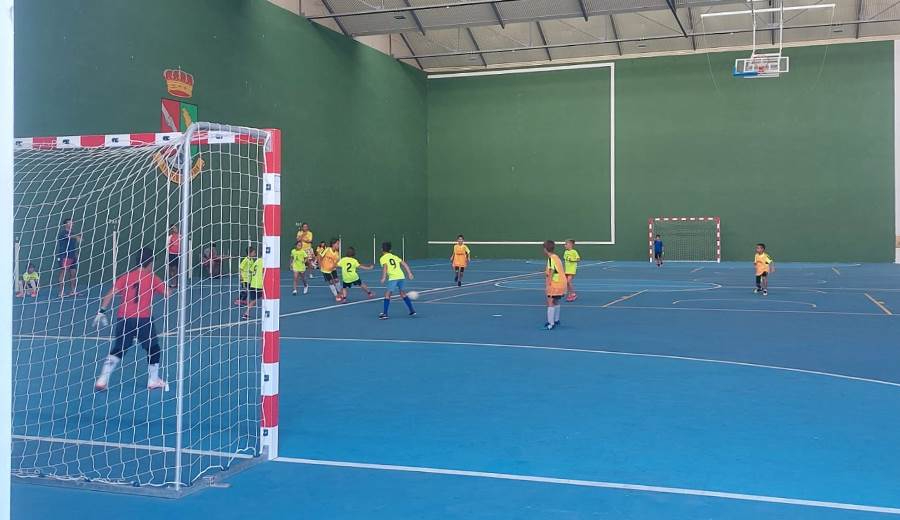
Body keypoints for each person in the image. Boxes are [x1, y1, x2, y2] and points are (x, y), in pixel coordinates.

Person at [93, 248, 170, 391]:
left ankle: (102, 380)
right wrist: (171, 286)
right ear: (150, 262)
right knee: (153, 348)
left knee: (119, 348)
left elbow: (109, 295)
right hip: (143, 319)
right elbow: (167, 294)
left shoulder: (126, 277)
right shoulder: (152, 277)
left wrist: (101, 311)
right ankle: (153, 381)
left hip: (124, 318)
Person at [379, 241, 416, 320]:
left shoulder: (383, 258)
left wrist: (384, 277)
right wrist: (409, 273)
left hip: (393, 278)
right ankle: (412, 310)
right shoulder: (395, 256)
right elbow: (404, 264)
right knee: (402, 293)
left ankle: (385, 314)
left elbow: (385, 267)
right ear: (390, 250)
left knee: (387, 294)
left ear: (382, 249)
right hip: (401, 276)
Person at [544, 240, 567, 330]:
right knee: (556, 300)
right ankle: (556, 320)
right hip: (562, 282)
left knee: (550, 302)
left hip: (555, 283)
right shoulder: (556, 257)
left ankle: (551, 323)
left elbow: (552, 271)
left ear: (545, 249)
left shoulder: (551, 259)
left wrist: (548, 284)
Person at [56, 218, 80, 298]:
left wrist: (75, 254)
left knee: (73, 273)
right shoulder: (63, 233)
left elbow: (73, 245)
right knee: (63, 273)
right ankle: (61, 292)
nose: (71, 224)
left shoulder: (72, 233)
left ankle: (73, 291)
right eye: (69, 223)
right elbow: (68, 236)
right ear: (65, 224)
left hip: (72, 256)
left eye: (72, 223)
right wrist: (77, 237)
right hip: (64, 256)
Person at [241, 246, 264, 320]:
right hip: (259, 284)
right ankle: (246, 312)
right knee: (260, 298)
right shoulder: (264, 261)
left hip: (253, 283)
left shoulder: (257, 261)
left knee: (255, 299)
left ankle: (246, 313)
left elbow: (251, 270)